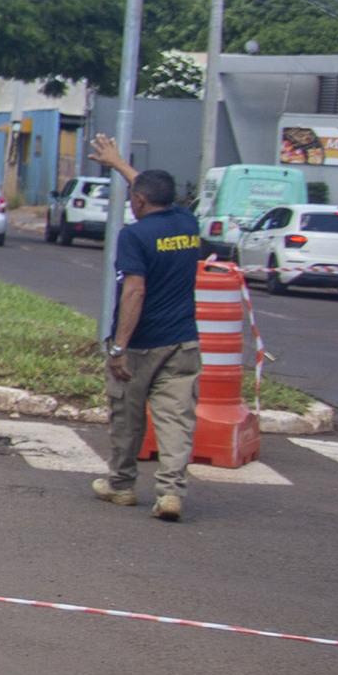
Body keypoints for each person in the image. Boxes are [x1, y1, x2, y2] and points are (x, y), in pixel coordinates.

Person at [88, 136, 205, 520]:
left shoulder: (135, 236)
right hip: (183, 344)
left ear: (137, 202)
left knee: (127, 417)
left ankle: (121, 486)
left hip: (141, 346)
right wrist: (121, 164)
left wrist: (119, 348)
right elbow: (150, 191)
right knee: (176, 420)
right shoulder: (188, 223)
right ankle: (170, 494)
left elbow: (134, 292)